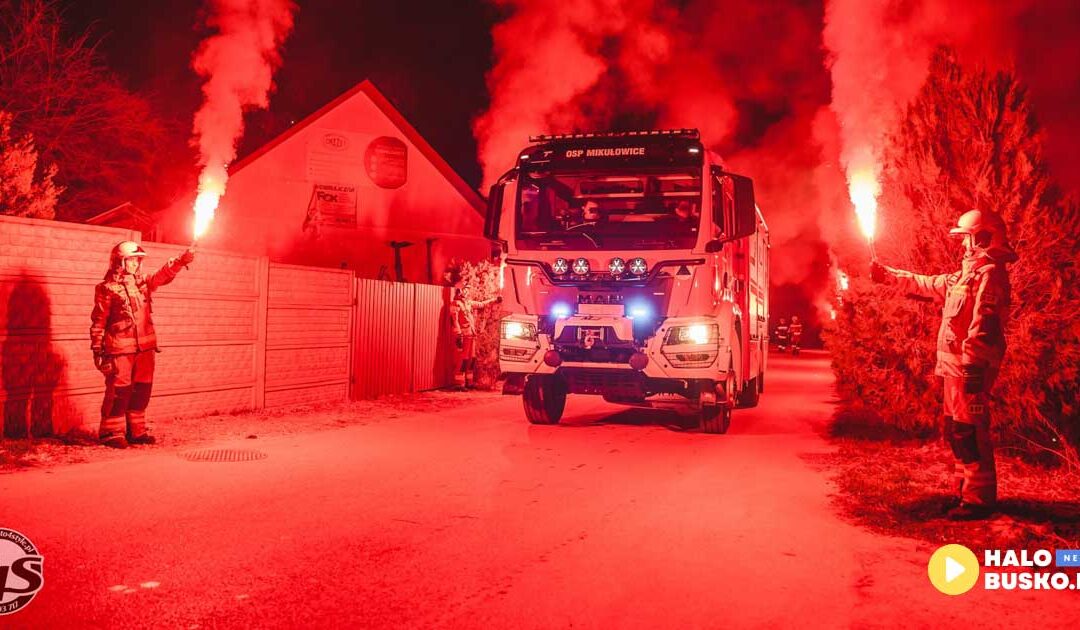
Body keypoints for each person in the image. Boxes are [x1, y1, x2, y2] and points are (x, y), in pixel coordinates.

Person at [871, 209, 1018, 520]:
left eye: (966, 239)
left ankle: (979, 501)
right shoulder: (965, 276)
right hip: (955, 369)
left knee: (969, 430)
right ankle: (964, 493)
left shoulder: (990, 276)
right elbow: (927, 284)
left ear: (983, 238)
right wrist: (888, 275)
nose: (963, 246)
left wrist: (974, 367)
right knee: (956, 430)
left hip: (970, 368)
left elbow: (986, 325)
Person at [90, 241, 195, 448]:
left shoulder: (144, 283)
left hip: (146, 349)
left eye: (138, 260)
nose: (136, 264)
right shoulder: (106, 288)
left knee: (142, 390)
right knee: (119, 391)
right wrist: (97, 347)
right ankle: (111, 433)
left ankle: (136, 431)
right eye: (132, 260)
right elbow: (99, 320)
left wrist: (180, 262)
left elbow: (162, 276)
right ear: (120, 261)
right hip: (120, 349)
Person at [447, 269, 500, 390]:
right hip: (464, 336)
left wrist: (494, 300)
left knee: (471, 360)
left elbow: (481, 304)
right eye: (466, 289)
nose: (467, 292)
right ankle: (459, 384)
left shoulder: (468, 303)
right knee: (463, 359)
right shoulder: (456, 304)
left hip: (471, 335)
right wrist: (458, 335)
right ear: (460, 290)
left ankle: (468, 382)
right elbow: (454, 320)